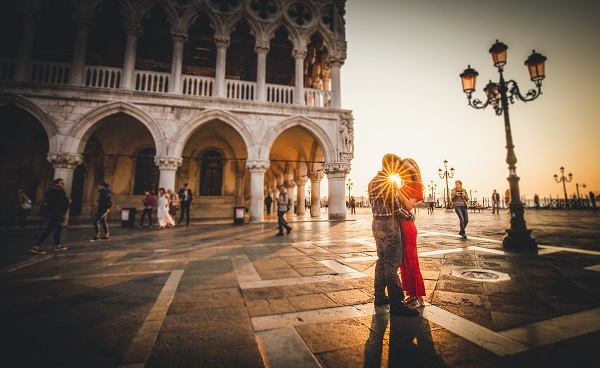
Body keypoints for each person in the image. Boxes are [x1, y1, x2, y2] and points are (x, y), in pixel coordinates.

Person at [368, 153, 418, 317]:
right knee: (392, 263)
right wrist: (411, 216)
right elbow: (396, 208)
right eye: (396, 166)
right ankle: (397, 303)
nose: (397, 170)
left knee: (381, 261)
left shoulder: (372, 181)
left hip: (376, 224)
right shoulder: (388, 182)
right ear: (390, 166)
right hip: (389, 225)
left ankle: (380, 297)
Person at [398, 158, 426, 310]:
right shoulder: (404, 185)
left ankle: (419, 297)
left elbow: (409, 204)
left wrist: (396, 190)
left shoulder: (416, 185)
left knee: (412, 262)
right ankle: (410, 294)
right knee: (404, 263)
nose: (400, 173)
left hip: (408, 228)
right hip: (400, 227)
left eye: (402, 170)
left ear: (408, 171)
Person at [30, 179, 70, 254]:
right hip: (57, 213)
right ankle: (36, 246)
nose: (62, 185)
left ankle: (57, 245)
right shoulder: (59, 191)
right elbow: (63, 202)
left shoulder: (50, 191)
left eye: (63, 184)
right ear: (56, 183)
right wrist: (68, 201)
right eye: (61, 183)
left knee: (58, 228)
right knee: (50, 229)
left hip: (52, 212)